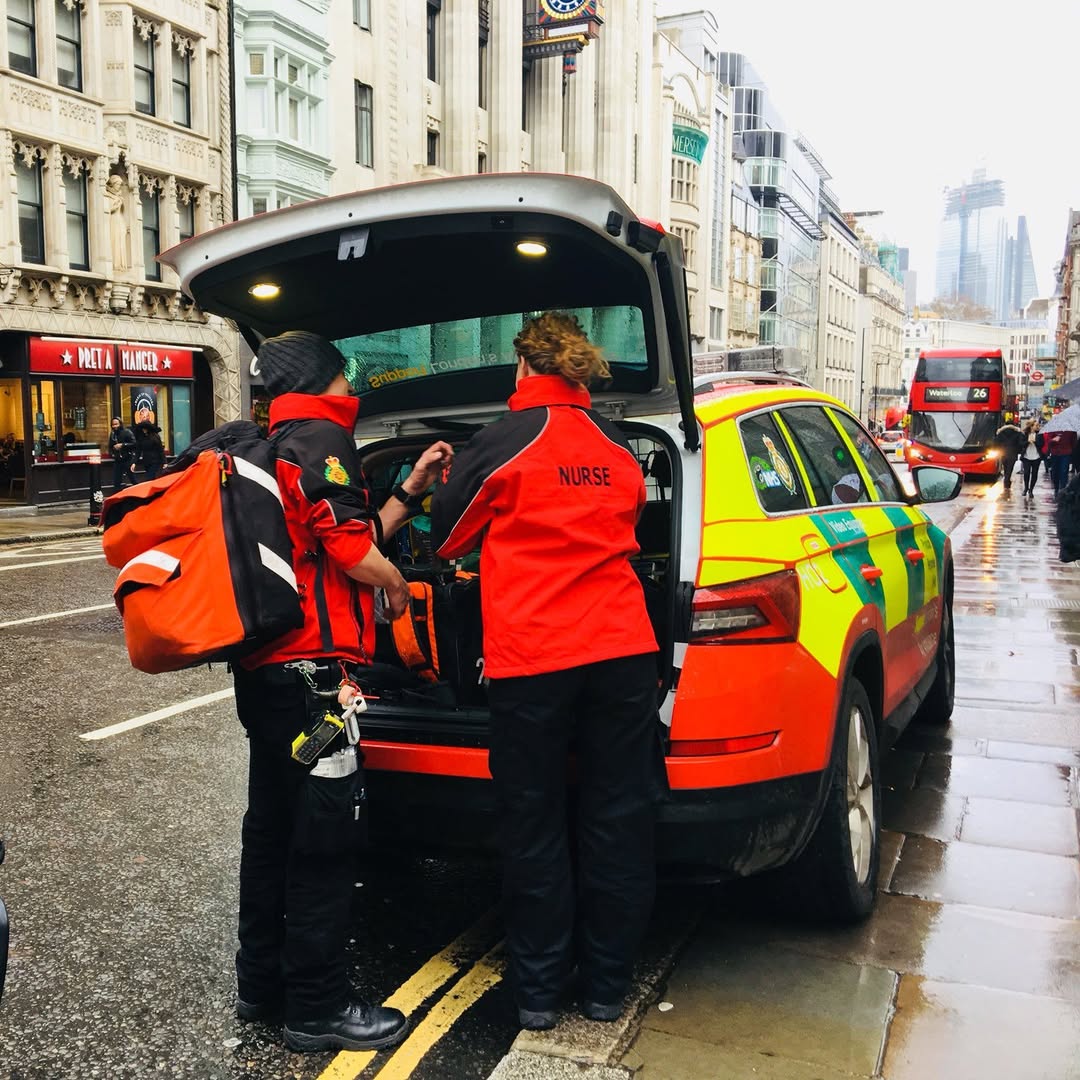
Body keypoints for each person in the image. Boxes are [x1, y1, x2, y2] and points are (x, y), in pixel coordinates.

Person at [431, 312, 661, 1032]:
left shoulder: (502, 440)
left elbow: (445, 537)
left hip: (535, 655)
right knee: (616, 818)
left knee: (533, 823)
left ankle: (536, 994)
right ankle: (605, 988)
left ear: (524, 368)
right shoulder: (618, 442)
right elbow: (635, 520)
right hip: (623, 649)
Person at [231, 330, 452, 1052]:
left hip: (266, 675)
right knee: (324, 842)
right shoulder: (321, 434)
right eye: (346, 376)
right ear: (329, 380)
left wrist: (409, 491)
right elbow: (354, 552)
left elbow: (338, 538)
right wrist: (395, 590)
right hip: (314, 686)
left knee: (270, 830)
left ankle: (260, 987)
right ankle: (318, 1009)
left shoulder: (264, 445)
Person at [1042, 426, 1077, 498]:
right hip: (1055, 453)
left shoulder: (1071, 430)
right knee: (1055, 472)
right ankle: (1056, 487)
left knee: (1064, 472)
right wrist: (1053, 440)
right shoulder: (1053, 428)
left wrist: (1071, 452)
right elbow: (1048, 441)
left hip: (1066, 453)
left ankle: (1062, 490)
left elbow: (1074, 442)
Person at [993, 421, 1025, 492]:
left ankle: (1006, 481)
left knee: (1005, 468)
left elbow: (996, 443)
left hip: (1003, 453)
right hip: (1013, 454)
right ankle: (1007, 482)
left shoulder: (1000, 433)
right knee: (1010, 469)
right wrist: (1018, 450)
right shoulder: (1017, 433)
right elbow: (1020, 443)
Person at [108, 417, 136, 490]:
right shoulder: (112, 434)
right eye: (113, 425)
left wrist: (122, 445)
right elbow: (110, 446)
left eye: (116, 424)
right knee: (116, 480)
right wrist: (113, 451)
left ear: (120, 424)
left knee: (132, 479)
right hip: (118, 460)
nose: (114, 426)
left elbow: (134, 444)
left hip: (128, 459)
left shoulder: (127, 432)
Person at [1020, 419, 1042, 497]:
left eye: (1038, 425)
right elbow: (1021, 444)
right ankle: (1026, 488)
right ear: (1031, 426)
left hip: (1036, 457)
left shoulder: (1039, 434)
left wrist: (1035, 441)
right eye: (1036, 425)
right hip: (1026, 457)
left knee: (1034, 474)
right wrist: (1028, 441)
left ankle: (1031, 490)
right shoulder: (1025, 434)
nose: (1038, 427)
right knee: (1026, 473)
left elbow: (1041, 444)